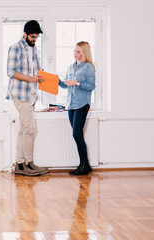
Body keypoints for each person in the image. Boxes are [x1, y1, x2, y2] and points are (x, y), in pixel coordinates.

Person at [7, 20, 49, 176]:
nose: (34, 39)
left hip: (31, 94)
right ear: (25, 34)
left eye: (36, 37)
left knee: (24, 129)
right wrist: (31, 78)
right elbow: (11, 72)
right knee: (30, 129)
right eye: (32, 36)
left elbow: (38, 70)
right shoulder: (15, 48)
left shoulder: (34, 49)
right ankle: (29, 163)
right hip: (20, 93)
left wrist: (43, 76)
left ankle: (20, 164)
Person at [59, 41, 96, 175]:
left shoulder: (89, 67)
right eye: (75, 51)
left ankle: (84, 164)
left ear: (84, 53)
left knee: (76, 134)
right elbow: (65, 85)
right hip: (71, 105)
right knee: (78, 135)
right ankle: (83, 164)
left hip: (82, 104)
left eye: (79, 51)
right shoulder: (71, 67)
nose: (76, 53)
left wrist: (77, 83)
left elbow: (91, 86)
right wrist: (56, 81)